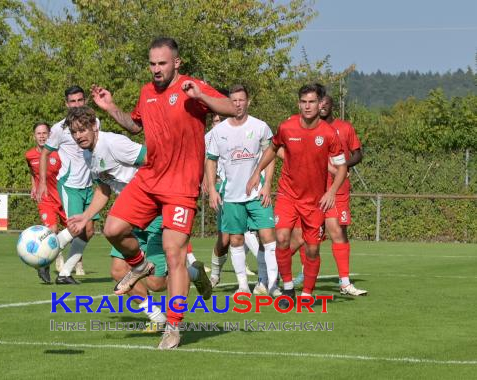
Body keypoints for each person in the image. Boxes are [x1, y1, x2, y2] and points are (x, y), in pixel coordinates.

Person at [91, 37, 234, 349]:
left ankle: (173, 326)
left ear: (176, 63)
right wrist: (110, 107)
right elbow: (134, 126)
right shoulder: (146, 92)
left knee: (174, 255)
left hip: (181, 186)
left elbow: (231, 107)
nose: (157, 69)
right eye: (153, 64)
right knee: (113, 229)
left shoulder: (190, 87)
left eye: (162, 63)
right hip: (150, 178)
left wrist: (203, 97)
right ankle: (139, 264)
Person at [63, 105, 212, 329]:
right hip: (129, 217)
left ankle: (193, 272)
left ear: (95, 126)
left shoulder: (113, 143)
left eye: (83, 130)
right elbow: (103, 189)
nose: (79, 136)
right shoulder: (87, 154)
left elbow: (153, 161)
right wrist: (85, 216)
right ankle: (157, 318)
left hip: (154, 210)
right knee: (118, 271)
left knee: (157, 282)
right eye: (74, 132)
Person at [246, 83, 347, 304]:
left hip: (315, 201)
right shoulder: (287, 127)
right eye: (304, 102)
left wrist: (331, 192)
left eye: (312, 102)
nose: (307, 106)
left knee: (312, 249)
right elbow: (272, 149)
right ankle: (289, 288)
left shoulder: (329, 134)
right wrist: (257, 172)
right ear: (298, 103)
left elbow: (342, 168)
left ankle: (307, 293)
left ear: (319, 104)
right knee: (281, 238)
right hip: (288, 194)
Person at [205, 85, 278, 296]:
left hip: (256, 194)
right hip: (231, 195)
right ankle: (244, 286)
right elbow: (211, 160)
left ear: (248, 102)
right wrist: (212, 189)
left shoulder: (260, 126)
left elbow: (270, 155)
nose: (238, 104)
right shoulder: (219, 131)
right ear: (229, 103)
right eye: (234, 100)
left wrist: (267, 185)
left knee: (268, 236)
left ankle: (270, 284)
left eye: (241, 100)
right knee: (235, 240)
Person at [36, 86, 95, 284]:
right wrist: (42, 182)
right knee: (76, 228)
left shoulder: (95, 122)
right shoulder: (60, 128)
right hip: (70, 185)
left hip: (90, 184)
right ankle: (44, 257)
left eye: (80, 100)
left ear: (85, 100)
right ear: (66, 104)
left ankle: (64, 273)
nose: (77, 104)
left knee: (89, 231)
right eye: (73, 101)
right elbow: (44, 153)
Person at [319, 95, 367, 296]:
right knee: (301, 235)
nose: (321, 107)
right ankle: (287, 276)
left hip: (338, 189)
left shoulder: (345, 128)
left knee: (339, 231)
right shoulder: (307, 128)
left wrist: (342, 167)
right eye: (318, 103)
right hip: (313, 188)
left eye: (325, 104)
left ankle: (344, 281)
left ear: (332, 106)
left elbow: (358, 154)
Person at [25, 122, 68, 284]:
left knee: (75, 231)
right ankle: (45, 264)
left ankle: (68, 261)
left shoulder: (59, 153)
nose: (42, 136)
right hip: (45, 198)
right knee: (52, 229)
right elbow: (32, 172)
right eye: (39, 133)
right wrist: (34, 186)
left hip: (63, 198)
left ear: (50, 135)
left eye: (45, 133)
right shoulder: (29, 155)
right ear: (34, 136)